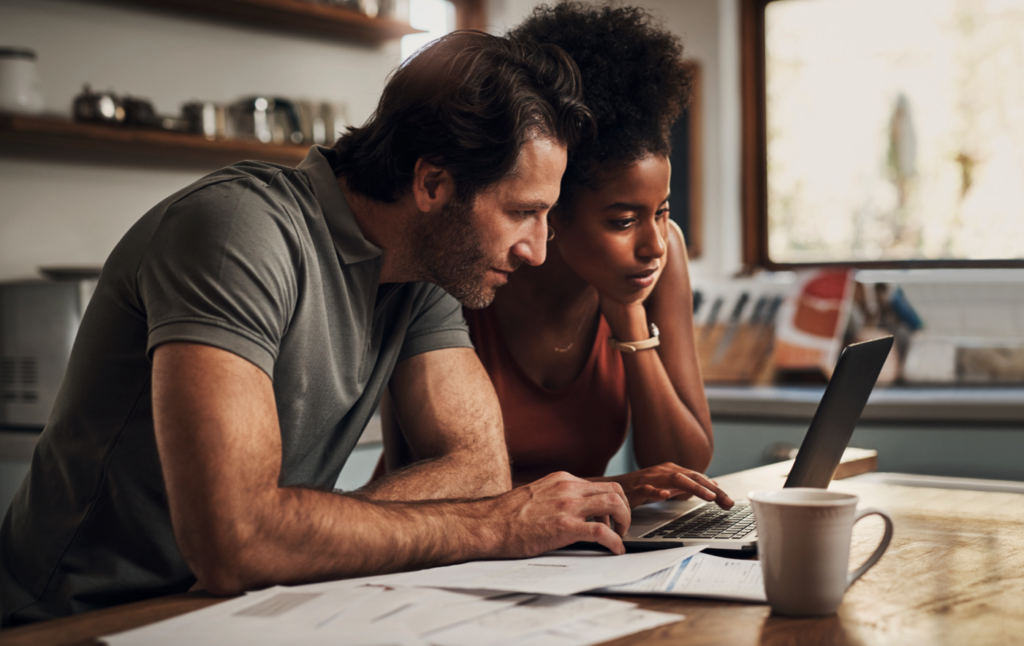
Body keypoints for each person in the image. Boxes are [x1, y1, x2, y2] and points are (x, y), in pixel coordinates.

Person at [0, 31, 633, 627]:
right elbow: (238, 542)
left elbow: (479, 470)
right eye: (522, 212)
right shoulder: (237, 232)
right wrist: (494, 527)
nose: (539, 251)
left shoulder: (424, 271)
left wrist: (295, 534)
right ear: (432, 183)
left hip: (233, 610)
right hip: (72, 621)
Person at [377, 4, 734, 511]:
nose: (654, 244)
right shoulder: (465, 266)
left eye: (662, 211)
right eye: (622, 220)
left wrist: (629, 318)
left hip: (565, 553)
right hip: (439, 550)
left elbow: (686, 466)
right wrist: (605, 490)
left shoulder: (658, 258)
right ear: (552, 208)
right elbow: (417, 481)